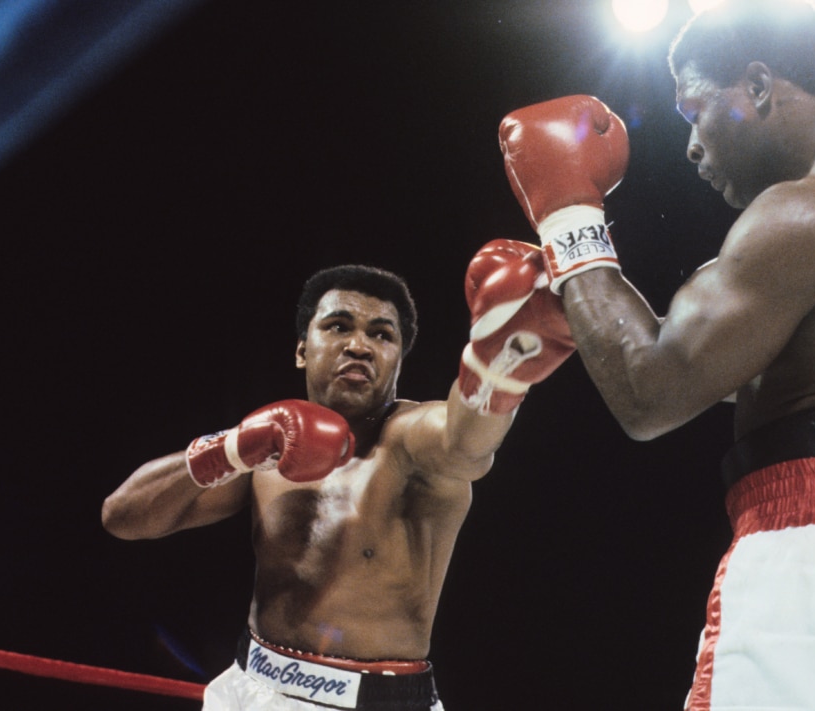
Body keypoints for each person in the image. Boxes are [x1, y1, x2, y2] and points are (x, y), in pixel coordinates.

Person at [496, 0, 815, 709]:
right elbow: (780, 369)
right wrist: (588, 314)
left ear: (760, 85)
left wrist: (567, 214)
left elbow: (649, 391)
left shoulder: (806, 209)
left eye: (693, 111)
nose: (689, 147)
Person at [101, 242, 574, 711]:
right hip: (250, 688)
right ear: (303, 351)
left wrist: (499, 370)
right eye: (338, 326)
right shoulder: (267, 444)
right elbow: (123, 518)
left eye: (382, 335)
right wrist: (229, 451)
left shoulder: (413, 440)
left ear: (399, 361)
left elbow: (466, 442)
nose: (359, 346)